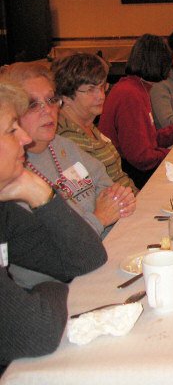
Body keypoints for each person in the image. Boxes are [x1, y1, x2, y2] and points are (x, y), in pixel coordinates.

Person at [0, 80, 107, 376]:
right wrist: (49, 289)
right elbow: (37, 333)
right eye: (11, 130)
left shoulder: (4, 209)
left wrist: (41, 194)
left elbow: (88, 258)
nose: (24, 139)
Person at [0, 62, 136, 240]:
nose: (48, 111)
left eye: (51, 100)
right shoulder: (12, 172)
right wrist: (99, 218)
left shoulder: (63, 145)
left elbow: (106, 184)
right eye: (33, 104)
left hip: (113, 239)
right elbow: (52, 246)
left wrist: (113, 202)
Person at [99, 34, 173, 189]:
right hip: (126, 177)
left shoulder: (138, 87)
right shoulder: (130, 94)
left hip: (134, 169)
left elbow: (150, 139)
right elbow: (141, 157)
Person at [51, 53, 137, 193]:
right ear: (66, 96)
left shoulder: (87, 124)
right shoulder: (68, 139)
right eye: (91, 90)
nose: (101, 96)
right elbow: (86, 196)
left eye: (102, 87)